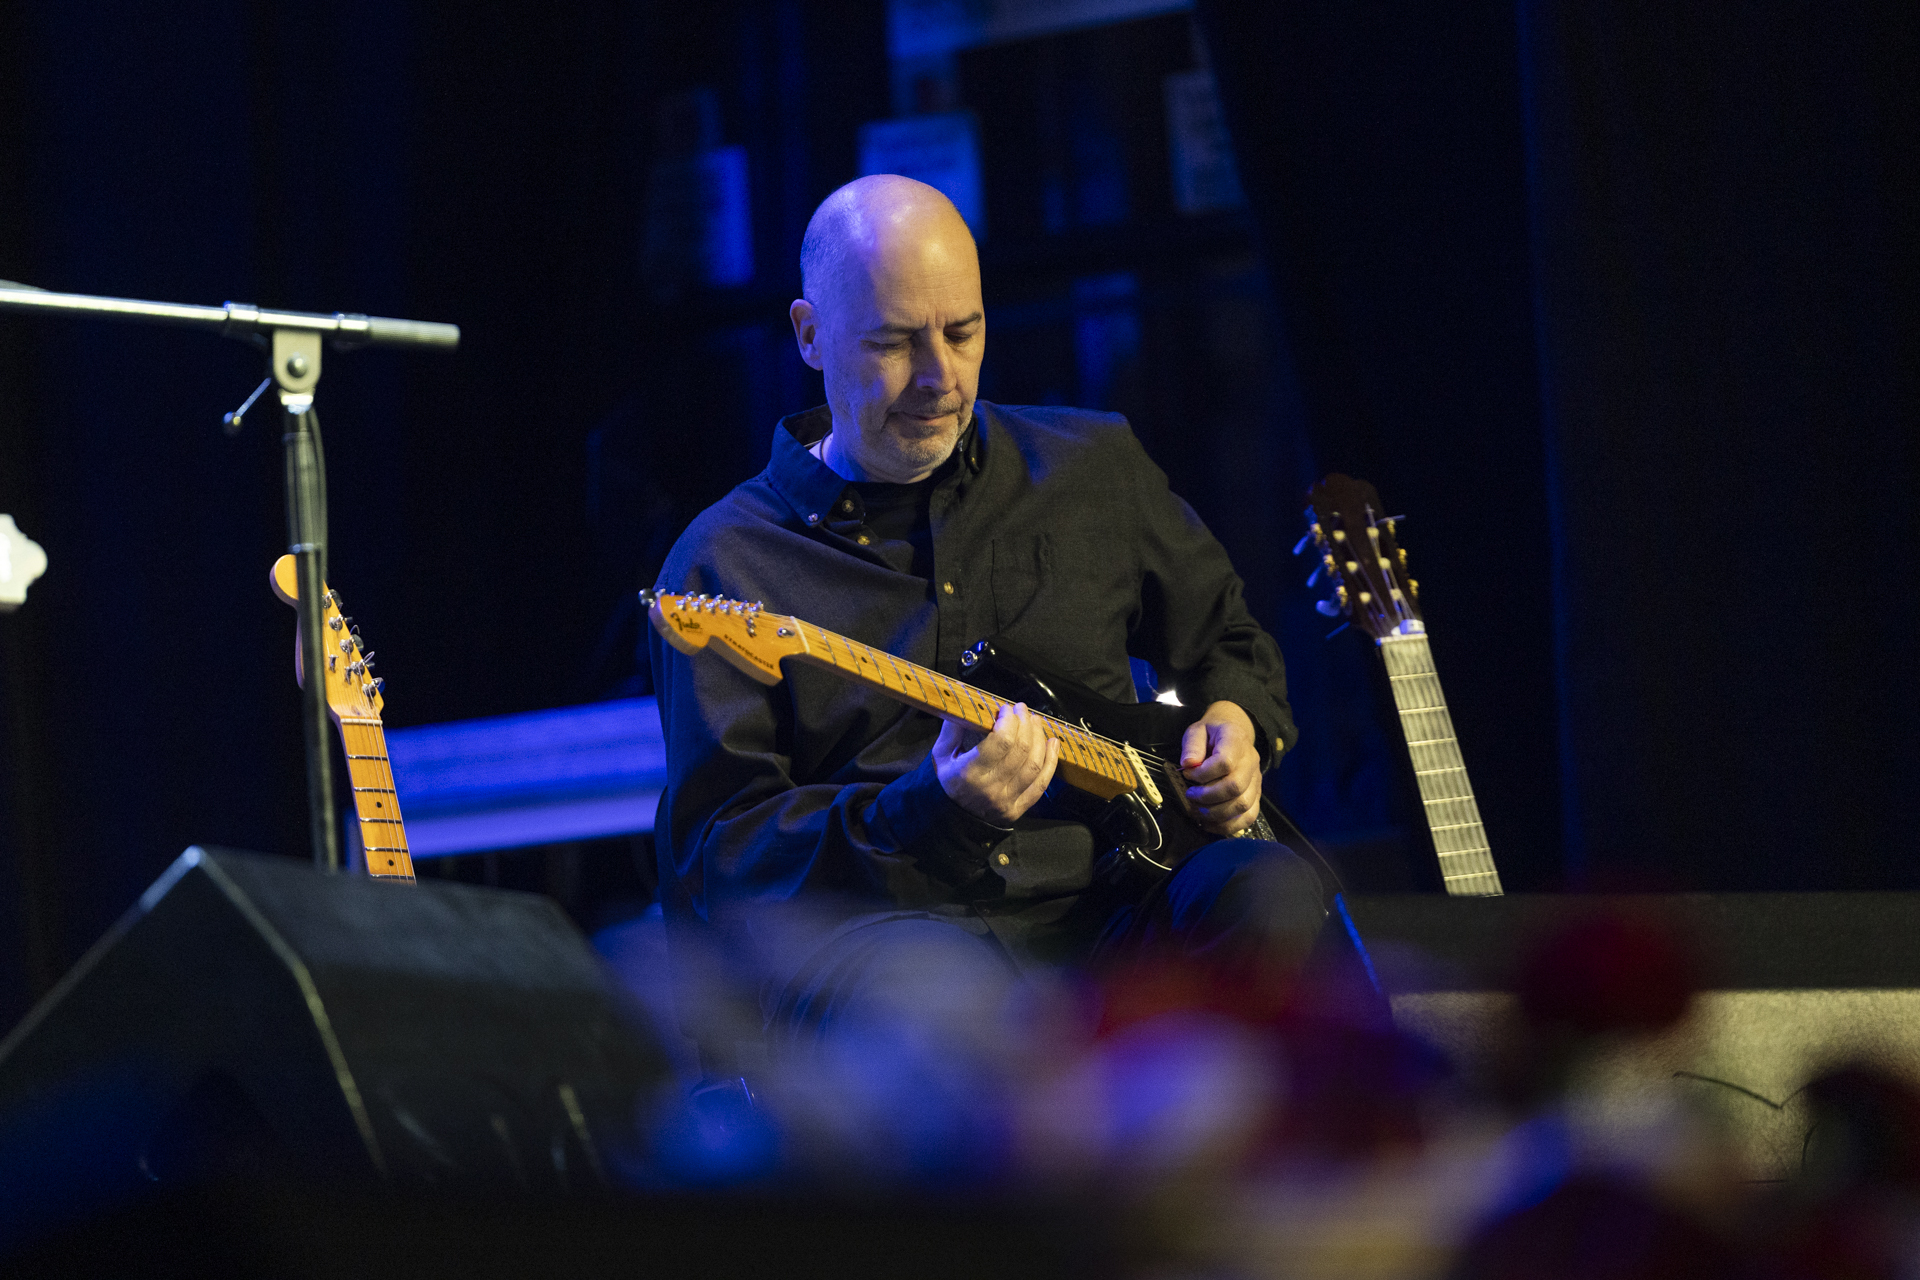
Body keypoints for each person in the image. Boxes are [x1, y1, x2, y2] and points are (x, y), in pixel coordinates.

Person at [650, 175, 1326, 1059]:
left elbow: (1228, 644)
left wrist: (1238, 724)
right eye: (895, 342)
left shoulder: (1092, 468)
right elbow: (725, 859)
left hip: (1112, 908)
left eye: (962, 333)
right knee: (931, 990)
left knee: (1267, 888)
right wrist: (932, 810)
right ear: (810, 336)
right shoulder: (730, 562)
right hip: (884, 940)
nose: (939, 378)